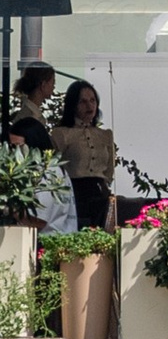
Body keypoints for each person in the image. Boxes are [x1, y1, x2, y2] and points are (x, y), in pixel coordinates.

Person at [48, 77, 117, 232]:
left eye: (92, 100)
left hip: (99, 191)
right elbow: (54, 167)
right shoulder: (62, 133)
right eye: (83, 101)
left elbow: (109, 168)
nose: (89, 105)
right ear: (73, 105)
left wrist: (105, 184)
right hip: (74, 190)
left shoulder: (105, 135)